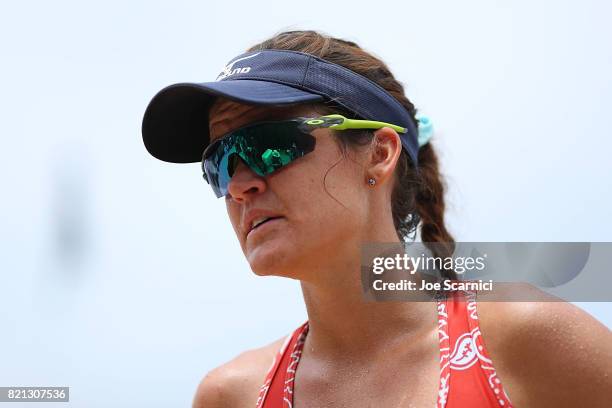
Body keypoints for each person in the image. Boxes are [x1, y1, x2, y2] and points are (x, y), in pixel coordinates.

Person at [142, 31, 612, 407]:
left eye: (271, 145)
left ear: (380, 154)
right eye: (220, 162)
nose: (241, 184)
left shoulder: (527, 337)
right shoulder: (232, 396)